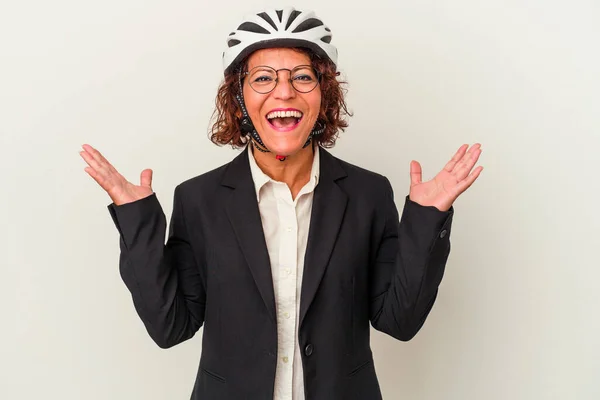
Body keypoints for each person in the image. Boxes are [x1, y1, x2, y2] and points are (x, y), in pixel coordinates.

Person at [80, 6, 483, 400]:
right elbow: (170, 327)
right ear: (238, 98)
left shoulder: (368, 194)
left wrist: (427, 218)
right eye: (263, 78)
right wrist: (137, 220)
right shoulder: (198, 199)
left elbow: (400, 320)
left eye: (303, 77)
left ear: (324, 96)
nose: (284, 91)